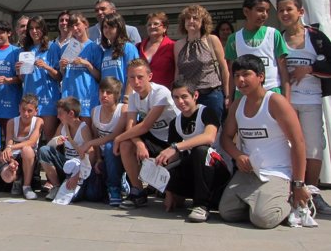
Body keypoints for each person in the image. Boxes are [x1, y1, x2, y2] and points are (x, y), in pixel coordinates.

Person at [219, 55, 310, 229]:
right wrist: (238, 155)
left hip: (277, 172)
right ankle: (262, 201)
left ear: (261, 76)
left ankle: (290, 198)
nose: (241, 80)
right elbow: (225, 138)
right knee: (227, 212)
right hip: (249, 171)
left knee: (264, 219)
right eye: (237, 75)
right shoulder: (237, 105)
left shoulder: (276, 102)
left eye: (246, 74)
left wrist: (299, 183)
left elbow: (298, 143)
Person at [276, 0, 331, 215]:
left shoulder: (316, 37)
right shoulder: (277, 37)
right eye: (280, 10)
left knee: (314, 147)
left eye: (289, 9)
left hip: (311, 99)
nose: (285, 14)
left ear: (300, 11)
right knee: (286, 147)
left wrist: (309, 69)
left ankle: (312, 193)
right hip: (285, 103)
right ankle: (290, 192)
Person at [155, 80, 231, 222]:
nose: (180, 101)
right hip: (195, 171)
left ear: (195, 95)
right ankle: (175, 196)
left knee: (200, 151)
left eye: (184, 97)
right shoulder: (175, 123)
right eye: (176, 97)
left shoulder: (207, 112)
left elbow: (209, 137)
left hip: (216, 170)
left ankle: (201, 206)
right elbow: (173, 155)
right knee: (165, 166)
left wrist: (176, 147)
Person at [113, 58, 179, 208]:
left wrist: (117, 138)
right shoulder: (134, 97)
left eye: (140, 77)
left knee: (121, 140)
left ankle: (165, 188)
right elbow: (131, 127)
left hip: (174, 140)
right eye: (131, 77)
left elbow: (145, 125)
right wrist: (139, 143)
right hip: (154, 136)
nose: (136, 82)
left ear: (149, 76)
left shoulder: (161, 92)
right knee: (126, 145)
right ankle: (138, 191)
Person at [225, 0, 289, 99]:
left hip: (271, 91)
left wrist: (287, 98)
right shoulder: (234, 39)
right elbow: (232, 73)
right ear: (246, 11)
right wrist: (230, 98)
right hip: (243, 94)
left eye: (267, 11)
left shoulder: (274, 34)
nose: (264, 15)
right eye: (260, 10)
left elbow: (283, 70)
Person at [174, 5, 229, 121]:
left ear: (203, 22)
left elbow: (224, 68)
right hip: (189, 97)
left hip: (211, 94)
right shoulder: (178, 45)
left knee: (215, 131)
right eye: (188, 18)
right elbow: (177, 71)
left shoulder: (211, 39)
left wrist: (227, 95)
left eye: (195, 18)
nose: (191, 21)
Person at [78, 77, 127, 206]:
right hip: (104, 157)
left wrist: (89, 143)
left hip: (119, 155)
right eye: (101, 92)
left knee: (111, 146)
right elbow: (96, 136)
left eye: (108, 92)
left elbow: (114, 136)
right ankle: (108, 185)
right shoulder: (95, 111)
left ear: (116, 95)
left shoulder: (123, 110)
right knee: (92, 195)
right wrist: (98, 158)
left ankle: (115, 188)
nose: (104, 95)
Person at [38, 96, 93, 201]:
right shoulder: (62, 126)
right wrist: (55, 142)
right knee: (44, 150)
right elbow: (49, 146)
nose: (58, 117)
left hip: (79, 169)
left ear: (71, 114)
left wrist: (77, 175)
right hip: (66, 165)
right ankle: (56, 186)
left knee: (75, 198)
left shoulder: (83, 129)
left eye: (60, 114)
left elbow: (91, 156)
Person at [17, 15, 61, 141]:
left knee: (50, 138)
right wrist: (19, 70)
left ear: (44, 29)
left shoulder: (53, 47)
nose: (34, 31)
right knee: (29, 140)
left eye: (38, 28)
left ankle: (49, 161)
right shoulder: (24, 49)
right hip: (29, 98)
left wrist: (46, 67)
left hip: (48, 98)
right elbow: (22, 79)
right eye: (31, 28)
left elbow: (59, 76)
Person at [0, 94, 43, 200]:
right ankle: (17, 179)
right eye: (23, 109)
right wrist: (10, 158)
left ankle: (26, 186)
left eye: (30, 110)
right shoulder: (11, 122)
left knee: (27, 149)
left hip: (30, 158)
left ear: (36, 111)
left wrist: (11, 147)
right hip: (15, 156)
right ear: (19, 108)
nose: (25, 113)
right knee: (7, 177)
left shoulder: (39, 121)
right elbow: (8, 143)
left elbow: (31, 142)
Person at [60, 12, 102, 122]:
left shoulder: (94, 47)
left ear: (85, 25)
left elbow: (99, 77)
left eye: (77, 24)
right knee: (69, 133)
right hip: (69, 95)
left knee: (86, 132)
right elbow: (63, 74)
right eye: (72, 26)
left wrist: (86, 63)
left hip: (87, 96)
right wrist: (62, 67)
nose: (75, 28)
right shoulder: (65, 48)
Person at [100, 12, 139, 99]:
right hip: (108, 99)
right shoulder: (106, 51)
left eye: (111, 27)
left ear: (119, 27)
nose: (107, 30)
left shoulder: (128, 47)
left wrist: (126, 99)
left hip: (123, 99)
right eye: (105, 27)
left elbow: (133, 74)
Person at [136, 12, 175, 88]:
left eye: (156, 24)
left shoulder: (173, 46)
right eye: (149, 25)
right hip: (143, 93)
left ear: (165, 28)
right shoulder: (138, 46)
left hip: (166, 93)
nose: (152, 26)